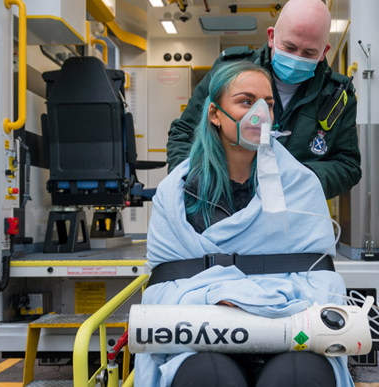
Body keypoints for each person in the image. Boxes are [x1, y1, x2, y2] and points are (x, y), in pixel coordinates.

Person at [134, 61, 354, 387]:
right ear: (214, 115)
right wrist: (224, 301)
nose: (260, 114)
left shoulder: (300, 185)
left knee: (300, 377)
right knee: (207, 377)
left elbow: (320, 278)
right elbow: (165, 283)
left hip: (288, 329)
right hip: (202, 329)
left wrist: (254, 304)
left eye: (267, 104)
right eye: (246, 101)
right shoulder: (179, 192)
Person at [166, 0, 361, 200]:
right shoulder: (231, 71)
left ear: (323, 52)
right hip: (223, 203)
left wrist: (298, 180)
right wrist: (192, 185)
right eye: (289, 47)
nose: (296, 58)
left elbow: (348, 166)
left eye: (309, 53)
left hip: (294, 210)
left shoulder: (338, 95)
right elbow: (185, 132)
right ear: (271, 37)